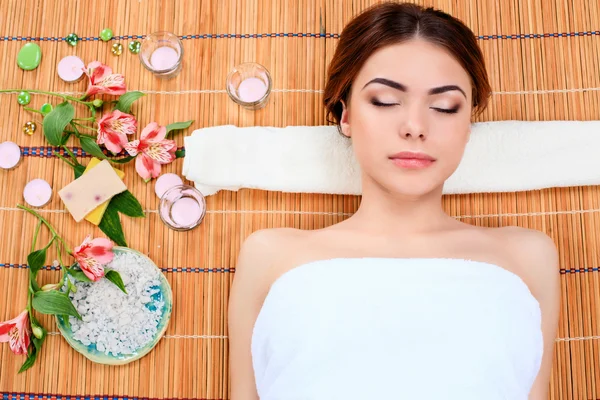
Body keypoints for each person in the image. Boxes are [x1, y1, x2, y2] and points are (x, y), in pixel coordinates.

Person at [228, 2, 560, 399]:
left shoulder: (528, 257)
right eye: (385, 101)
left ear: (468, 125)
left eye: (445, 107)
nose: (415, 127)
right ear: (345, 115)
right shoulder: (270, 256)